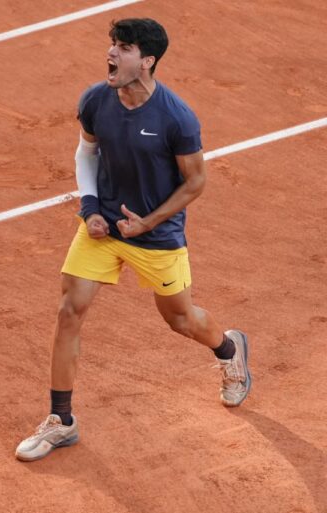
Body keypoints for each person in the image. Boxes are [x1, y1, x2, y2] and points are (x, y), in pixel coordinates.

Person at [15, 18, 252, 462]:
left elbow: (195, 181)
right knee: (69, 310)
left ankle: (228, 347)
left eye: (122, 48)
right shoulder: (95, 100)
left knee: (180, 320)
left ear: (147, 61)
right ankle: (60, 421)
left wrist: (148, 223)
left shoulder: (176, 118)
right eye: (112, 45)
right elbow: (86, 152)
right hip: (103, 226)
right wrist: (89, 210)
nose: (111, 53)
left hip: (157, 237)